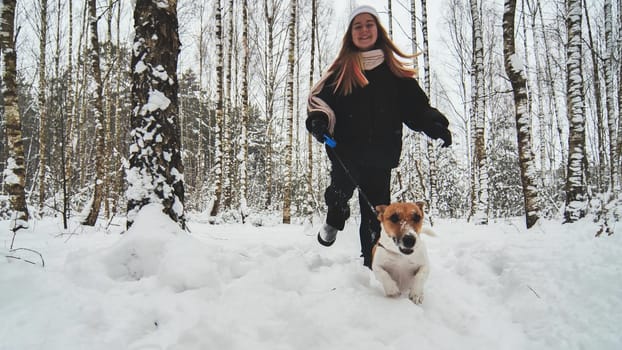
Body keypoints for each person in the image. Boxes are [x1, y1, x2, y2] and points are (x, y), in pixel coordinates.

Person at [306, 5, 452, 268]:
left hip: (381, 155)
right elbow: (320, 103)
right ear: (350, 34)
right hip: (346, 150)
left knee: (375, 214)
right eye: (357, 26)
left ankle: (371, 263)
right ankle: (334, 220)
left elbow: (417, 108)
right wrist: (318, 122)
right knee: (339, 194)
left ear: (378, 30)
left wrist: (435, 124)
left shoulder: (395, 75)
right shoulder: (342, 73)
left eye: (368, 24)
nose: (363, 30)